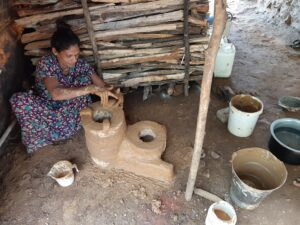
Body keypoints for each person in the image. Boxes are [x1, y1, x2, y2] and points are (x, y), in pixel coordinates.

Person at [10, 20, 112, 153]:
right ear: (55, 51)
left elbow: (101, 85)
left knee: (84, 78)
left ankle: (66, 129)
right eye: (69, 56)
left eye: (76, 55)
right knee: (18, 100)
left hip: (70, 108)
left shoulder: (80, 64)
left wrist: (111, 92)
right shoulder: (46, 63)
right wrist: (89, 89)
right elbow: (56, 93)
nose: (74, 60)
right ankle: (50, 134)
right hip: (48, 109)